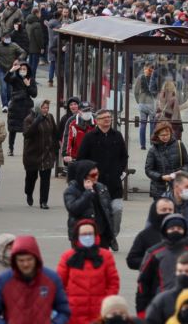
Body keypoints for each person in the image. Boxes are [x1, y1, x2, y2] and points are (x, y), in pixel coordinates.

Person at [0, 235, 71, 324]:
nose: (25, 264)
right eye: (21, 260)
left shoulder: (52, 279)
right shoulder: (3, 280)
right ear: (14, 261)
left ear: (36, 258)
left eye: (29, 259)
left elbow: (64, 311)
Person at [136, 215, 188, 314]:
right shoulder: (154, 253)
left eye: (179, 228)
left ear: (185, 230)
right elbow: (143, 282)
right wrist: (142, 310)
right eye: (172, 228)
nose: (176, 231)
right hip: (162, 305)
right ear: (165, 230)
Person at [77, 109, 128, 247]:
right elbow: (81, 159)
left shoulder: (117, 136)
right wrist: (87, 177)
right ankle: (102, 239)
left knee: (117, 210)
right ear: (97, 120)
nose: (107, 120)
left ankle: (112, 236)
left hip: (114, 183)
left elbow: (124, 156)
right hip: (96, 184)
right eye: (104, 117)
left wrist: (119, 170)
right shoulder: (90, 137)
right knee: (98, 214)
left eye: (109, 117)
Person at [55, 219, 121, 324]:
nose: (87, 237)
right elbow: (59, 284)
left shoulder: (106, 256)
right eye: (84, 234)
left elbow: (113, 283)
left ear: (95, 236)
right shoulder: (67, 257)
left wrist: (106, 302)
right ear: (78, 237)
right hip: (73, 314)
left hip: (100, 313)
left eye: (90, 234)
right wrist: (69, 301)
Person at [63, 160, 116, 249]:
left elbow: (108, 210)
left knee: (103, 260)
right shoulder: (71, 190)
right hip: (82, 234)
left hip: (102, 234)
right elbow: (73, 209)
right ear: (83, 176)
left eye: (97, 174)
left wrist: (110, 233)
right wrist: (88, 193)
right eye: (93, 175)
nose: (96, 177)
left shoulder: (101, 187)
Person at [23, 100, 59, 208]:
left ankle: (43, 202)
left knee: (45, 179)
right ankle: (29, 193)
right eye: (44, 108)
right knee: (31, 177)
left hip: (47, 154)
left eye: (47, 108)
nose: (46, 110)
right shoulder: (29, 119)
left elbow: (55, 133)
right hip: (32, 154)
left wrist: (55, 148)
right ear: (38, 108)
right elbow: (27, 134)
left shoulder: (50, 117)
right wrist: (37, 121)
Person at [145, 121, 188, 198]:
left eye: (167, 134)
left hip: (177, 186)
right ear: (157, 136)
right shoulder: (153, 150)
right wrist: (161, 177)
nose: (165, 137)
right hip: (159, 189)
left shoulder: (179, 144)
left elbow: (187, 163)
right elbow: (148, 170)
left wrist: (182, 172)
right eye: (162, 135)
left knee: (177, 209)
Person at [129, 198, 176, 269]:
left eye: (170, 210)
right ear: (155, 212)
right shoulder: (145, 235)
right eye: (163, 210)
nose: (167, 213)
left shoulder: (182, 233)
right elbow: (131, 260)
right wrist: (152, 262)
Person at [0, 32, 25, 111]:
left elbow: (23, 52)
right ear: (2, 38)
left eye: (8, 37)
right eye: (5, 37)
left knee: (10, 87)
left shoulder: (14, 45)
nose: (7, 39)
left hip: (11, 69)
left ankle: (9, 102)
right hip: (1, 69)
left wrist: (18, 59)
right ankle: (4, 105)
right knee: (3, 87)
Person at [4, 60, 37, 156]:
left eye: (24, 69)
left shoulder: (31, 79)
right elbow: (6, 79)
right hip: (15, 106)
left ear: (28, 70)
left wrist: (28, 85)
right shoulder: (15, 78)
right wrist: (11, 70)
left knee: (27, 129)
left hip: (27, 107)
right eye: (21, 69)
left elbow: (34, 94)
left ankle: (27, 149)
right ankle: (10, 148)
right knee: (12, 129)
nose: (22, 70)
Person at [134, 63, 159, 151]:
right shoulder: (154, 78)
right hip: (151, 103)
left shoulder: (140, 77)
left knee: (143, 124)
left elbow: (136, 91)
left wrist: (138, 101)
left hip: (142, 102)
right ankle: (152, 144)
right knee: (152, 124)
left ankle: (142, 145)